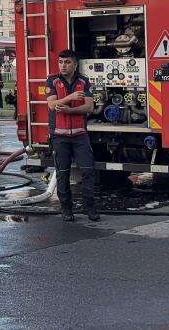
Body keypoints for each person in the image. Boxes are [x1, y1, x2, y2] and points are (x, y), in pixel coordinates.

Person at [46, 49, 99, 222]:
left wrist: (70, 110)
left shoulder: (83, 81)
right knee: (62, 174)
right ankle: (66, 210)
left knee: (88, 172)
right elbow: (52, 105)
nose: (63, 65)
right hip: (59, 137)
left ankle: (90, 209)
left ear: (75, 64)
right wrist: (71, 97)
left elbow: (89, 107)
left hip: (80, 135)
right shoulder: (52, 80)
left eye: (67, 62)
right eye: (60, 62)